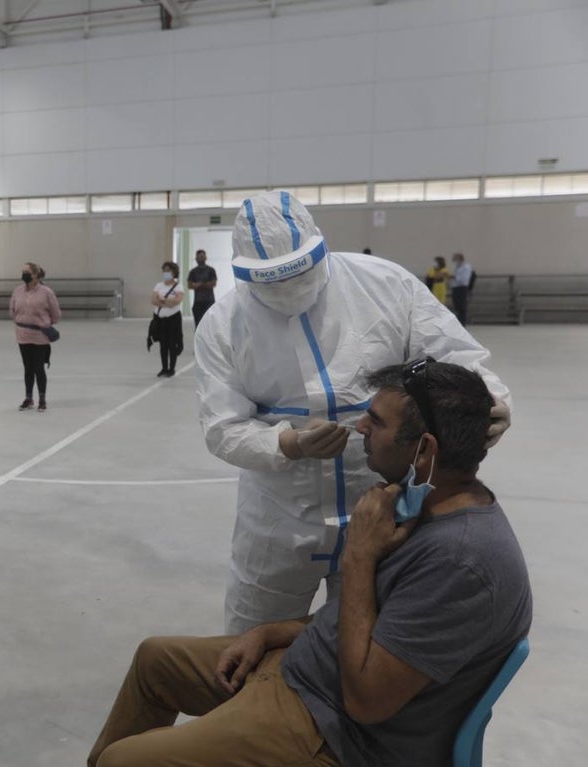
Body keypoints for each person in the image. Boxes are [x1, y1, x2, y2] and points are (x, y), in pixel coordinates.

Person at [88, 361, 531, 767]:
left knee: (123, 761)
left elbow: (367, 702)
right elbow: (367, 621)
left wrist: (358, 554)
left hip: (338, 733)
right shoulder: (423, 505)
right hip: (307, 670)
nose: (360, 428)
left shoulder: (462, 563)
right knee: (155, 661)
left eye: (375, 422)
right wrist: (269, 632)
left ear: (423, 450)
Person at [195, 191, 512, 634]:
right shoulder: (223, 325)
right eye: (270, 280)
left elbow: (457, 356)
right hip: (279, 520)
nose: (289, 289)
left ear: (320, 247)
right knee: (253, 642)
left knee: (365, 644)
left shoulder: (383, 285)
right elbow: (222, 427)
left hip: (384, 511)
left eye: (300, 272)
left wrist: (490, 399)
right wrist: (285, 443)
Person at [9, 262, 61, 412]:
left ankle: (42, 399)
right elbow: (12, 310)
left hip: (40, 336)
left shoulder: (46, 292)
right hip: (23, 335)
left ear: (36, 275)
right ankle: (28, 397)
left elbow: (56, 314)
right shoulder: (17, 291)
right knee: (28, 368)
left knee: (39, 368)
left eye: (27, 272)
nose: (23, 275)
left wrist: (44, 323)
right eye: (22, 271)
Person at [150, 261, 185, 378]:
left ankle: (172, 368)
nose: (166, 273)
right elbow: (153, 300)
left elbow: (177, 301)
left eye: (168, 270)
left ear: (174, 272)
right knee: (163, 344)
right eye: (164, 270)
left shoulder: (178, 286)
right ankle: (164, 368)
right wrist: (168, 302)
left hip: (173, 319)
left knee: (172, 343)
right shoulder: (158, 285)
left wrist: (163, 300)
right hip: (161, 319)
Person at [186, 249, 217, 327]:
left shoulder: (211, 270)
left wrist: (198, 285)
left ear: (206, 258)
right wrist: (203, 284)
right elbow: (190, 285)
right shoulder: (193, 271)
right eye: (199, 257)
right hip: (198, 302)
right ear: (196, 258)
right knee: (198, 325)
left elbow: (213, 284)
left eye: (202, 256)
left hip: (209, 301)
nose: (201, 258)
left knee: (210, 325)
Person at [451, 252, 473, 326]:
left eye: (455, 259)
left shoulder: (466, 267)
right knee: (456, 306)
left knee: (462, 306)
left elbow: (464, 279)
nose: (454, 261)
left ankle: (462, 323)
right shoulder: (456, 267)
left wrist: (454, 277)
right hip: (455, 288)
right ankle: (458, 322)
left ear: (460, 259)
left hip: (462, 288)